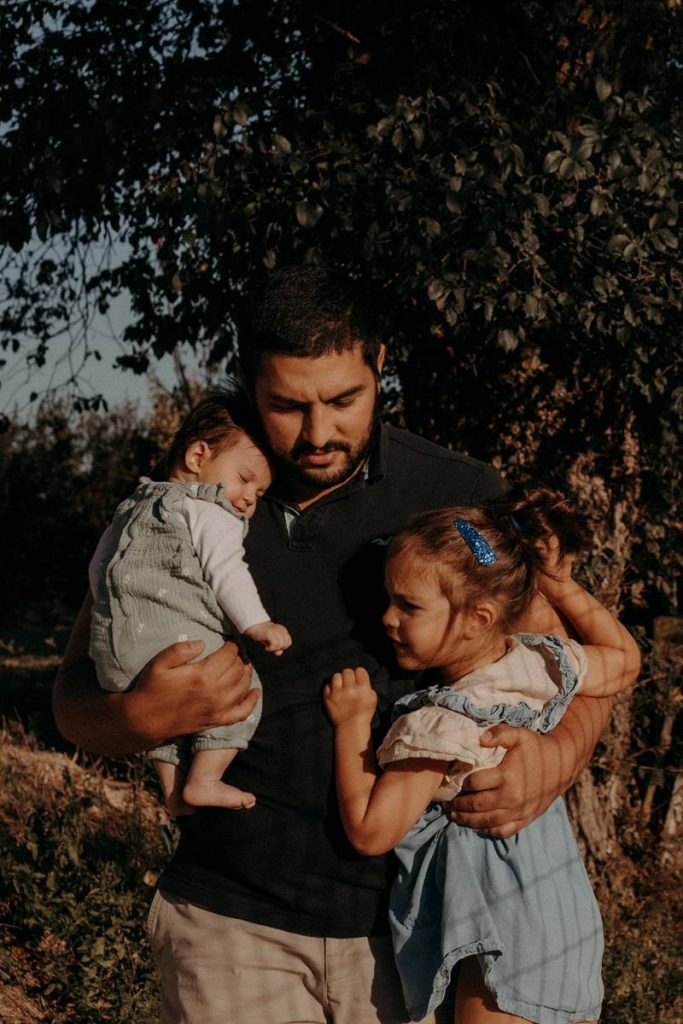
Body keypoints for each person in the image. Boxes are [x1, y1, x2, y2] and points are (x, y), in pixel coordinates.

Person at [53, 266, 633, 1024]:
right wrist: (141, 716)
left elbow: (569, 673)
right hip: (230, 926)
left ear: (379, 364)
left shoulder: (459, 493)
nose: (318, 432)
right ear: (249, 383)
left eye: (342, 400)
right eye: (287, 406)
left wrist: (555, 760)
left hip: (417, 929)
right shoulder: (178, 504)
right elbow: (70, 701)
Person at [324, 489, 641, 1024]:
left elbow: (368, 831)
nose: (386, 618)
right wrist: (562, 586)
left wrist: (352, 725)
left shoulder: (444, 723)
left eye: (408, 605)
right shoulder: (537, 664)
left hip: (502, 937)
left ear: (477, 617)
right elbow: (626, 663)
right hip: (564, 920)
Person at [89, 388, 292, 814]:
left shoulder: (133, 504)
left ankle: (171, 790)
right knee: (243, 687)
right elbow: (226, 570)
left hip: (116, 655)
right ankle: (203, 780)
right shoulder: (209, 509)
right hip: (178, 643)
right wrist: (256, 623)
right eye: (245, 479)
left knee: (168, 726)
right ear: (198, 457)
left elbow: (99, 566)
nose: (251, 498)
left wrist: (106, 615)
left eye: (261, 491)